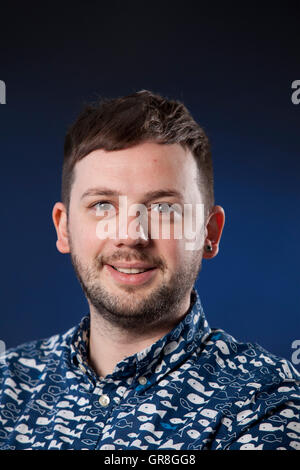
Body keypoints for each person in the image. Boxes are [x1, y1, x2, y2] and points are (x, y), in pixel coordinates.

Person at [0, 90, 299, 451]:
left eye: (163, 208)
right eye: (103, 205)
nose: (131, 235)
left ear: (210, 233)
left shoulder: (266, 401)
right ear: (64, 229)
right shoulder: (8, 383)